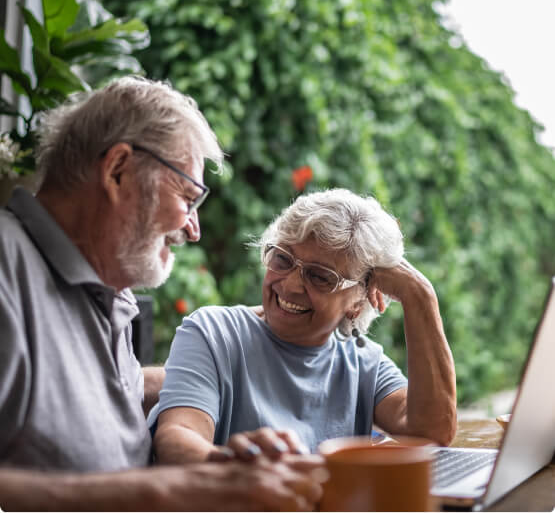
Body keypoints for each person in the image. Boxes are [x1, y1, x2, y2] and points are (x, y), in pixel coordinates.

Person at [0, 76, 324, 511]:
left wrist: (227, 462)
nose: (193, 229)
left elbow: (103, 392)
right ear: (118, 171)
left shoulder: (105, 290)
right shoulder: (8, 269)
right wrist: (165, 490)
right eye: (187, 198)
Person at [149, 188, 458, 464]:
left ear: (357, 302)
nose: (292, 285)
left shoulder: (364, 363)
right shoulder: (215, 333)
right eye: (283, 260)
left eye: (320, 276)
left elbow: (431, 431)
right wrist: (238, 469)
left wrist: (420, 296)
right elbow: (177, 440)